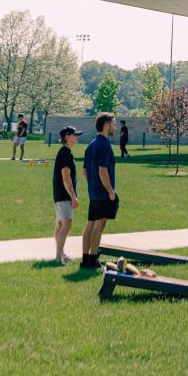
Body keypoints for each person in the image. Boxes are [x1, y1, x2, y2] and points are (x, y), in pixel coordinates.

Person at [79, 114, 119, 270]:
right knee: (99, 226)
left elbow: (84, 172)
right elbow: (103, 170)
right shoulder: (105, 145)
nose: (115, 127)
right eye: (114, 124)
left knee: (90, 224)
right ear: (107, 125)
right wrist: (110, 191)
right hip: (103, 193)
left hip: (93, 193)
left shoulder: (91, 145)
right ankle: (93, 260)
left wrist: (92, 187)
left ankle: (85, 260)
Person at [52, 126, 79, 262]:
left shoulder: (63, 152)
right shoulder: (66, 153)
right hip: (64, 195)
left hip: (59, 194)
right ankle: (58, 257)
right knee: (66, 224)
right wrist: (73, 197)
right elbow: (66, 178)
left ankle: (61, 255)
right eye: (75, 135)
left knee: (60, 225)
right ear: (67, 137)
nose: (77, 137)